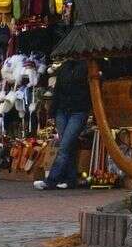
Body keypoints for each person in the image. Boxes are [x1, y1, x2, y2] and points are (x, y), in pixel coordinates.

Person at [33, 56, 91, 190]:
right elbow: (58, 90)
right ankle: (70, 179)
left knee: (64, 146)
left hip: (78, 110)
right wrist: (53, 111)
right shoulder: (64, 68)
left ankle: (51, 180)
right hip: (63, 110)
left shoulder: (86, 66)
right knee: (67, 145)